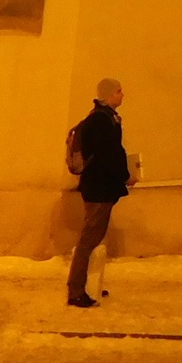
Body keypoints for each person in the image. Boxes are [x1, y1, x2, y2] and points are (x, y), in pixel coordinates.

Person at [67, 78, 132, 307]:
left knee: (94, 238)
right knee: (88, 240)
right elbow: (109, 155)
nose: (122, 95)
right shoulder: (101, 121)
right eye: (119, 91)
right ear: (109, 94)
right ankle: (76, 290)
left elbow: (112, 153)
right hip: (98, 188)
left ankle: (90, 284)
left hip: (100, 187)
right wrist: (125, 175)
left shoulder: (105, 118)